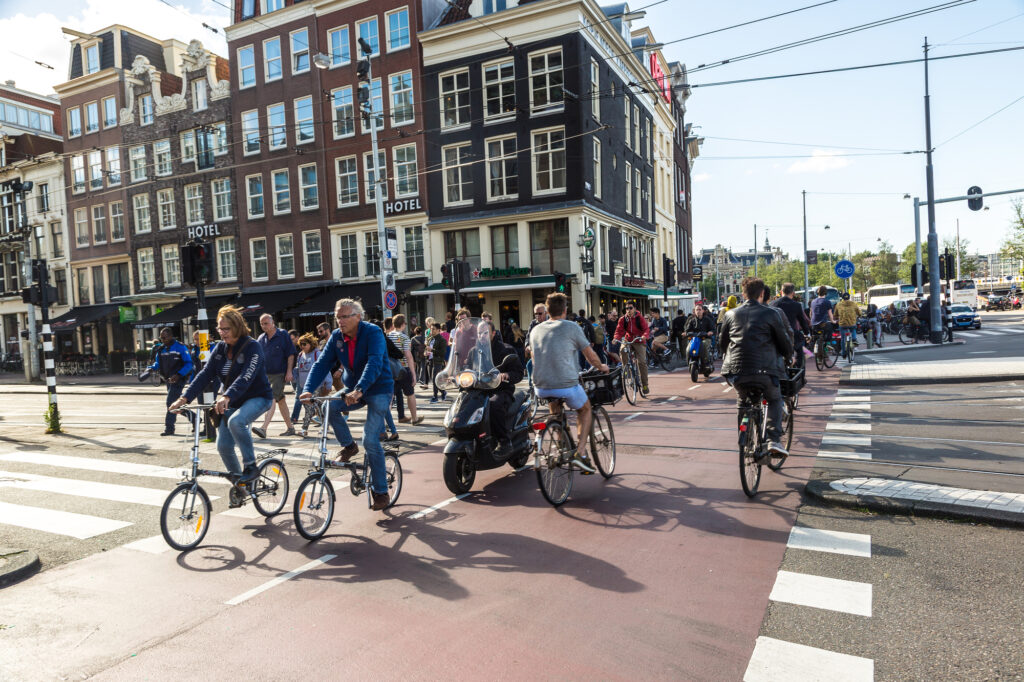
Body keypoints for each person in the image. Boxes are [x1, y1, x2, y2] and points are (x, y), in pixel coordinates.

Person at [300, 298, 394, 511]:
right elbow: (322, 363)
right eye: (337, 317)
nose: (340, 321)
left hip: (378, 388)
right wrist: (308, 389)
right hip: (353, 389)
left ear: (358, 317)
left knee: (370, 440)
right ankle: (348, 446)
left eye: (344, 317)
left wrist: (360, 389)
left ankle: (381, 491)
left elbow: (375, 362)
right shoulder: (336, 337)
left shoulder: (373, 332)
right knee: (328, 407)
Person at [169, 306, 273, 487]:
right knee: (223, 446)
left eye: (226, 329)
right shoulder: (220, 349)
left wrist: (226, 396)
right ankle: (241, 484)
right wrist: (184, 398)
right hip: (233, 400)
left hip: (259, 397)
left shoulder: (253, 347)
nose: (222, 333)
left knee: (236, 421)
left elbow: (246, 376)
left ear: (237, 327)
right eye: (219, 328)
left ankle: (251, 467)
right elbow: (204, 375)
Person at [530, 292, 609, 472]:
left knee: (555, 408)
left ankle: (560, 443)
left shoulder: (536, 330)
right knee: (585, 408)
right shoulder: (572, 327)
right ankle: (580, 453)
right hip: (566, 384)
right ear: (565, 310)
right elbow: (590, 355)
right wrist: (602, 366)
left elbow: (535, 359)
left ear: (547, 311)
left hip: (540, 386)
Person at [720, 277, 794, 457]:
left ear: (743, 294)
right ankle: (772, 440)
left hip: (737, 372)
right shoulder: (771, 314)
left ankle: (744, 442)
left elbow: (722, 344)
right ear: (762, 294)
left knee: (743, 402)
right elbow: (784, 341)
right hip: (765, 371)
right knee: (775, 399)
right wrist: (788, 356)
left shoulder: (730, 315)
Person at [481, 319, 524, 452]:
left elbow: (518, 372)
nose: (481, 336)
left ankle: (504, 441)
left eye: (485, 333)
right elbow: (465, 367)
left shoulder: (506, 349)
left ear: (493, 333)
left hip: (500, 390)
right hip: (478, 390)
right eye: (479, 333)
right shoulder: (474, 351)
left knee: (493, 405)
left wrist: (506, 375)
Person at [251, 314, 297, 438]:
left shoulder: (283, 335)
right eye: (261, 324)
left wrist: (289, 371)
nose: (263, 326)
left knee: (271, 398)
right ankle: (290, 428)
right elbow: (258, 357)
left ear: (273, 322)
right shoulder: (261, 338)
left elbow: (291, 354)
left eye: (266, 323)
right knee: (280, 400)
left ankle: (264, 428)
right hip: (266, 374)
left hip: (279, 373)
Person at [149, 327, 193, 436]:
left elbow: (189, 364)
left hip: (178, 379)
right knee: (174, 404)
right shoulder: (161, 349)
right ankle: (195, 418)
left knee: (170, 403)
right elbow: (158, 363)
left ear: (170, 336)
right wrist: (151, 368)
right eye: (161, 338)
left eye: (164, 337)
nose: (163, 340)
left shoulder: (180, 347)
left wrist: (179, 375)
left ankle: (169, 428)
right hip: (168, 380)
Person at [387, 314, 423, 425]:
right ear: (403, 325)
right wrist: (413, 374)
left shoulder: (387, 336)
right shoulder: (404, 337)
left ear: (393, 324)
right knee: (410, 394)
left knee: (390, 396)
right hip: (403, 369)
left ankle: (387, 422)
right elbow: (408, 356)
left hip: (390, 370)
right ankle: (414, 418)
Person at [293, 333, 330, 436]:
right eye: (300, 344)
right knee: (318, 407)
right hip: (303, 386)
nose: (302, 347)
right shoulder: (300, 355)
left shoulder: (317, 353)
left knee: (311, 407)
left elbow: (324, 368)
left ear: (311, 343)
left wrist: (328, 383)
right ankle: (325, 426)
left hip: (316, 385)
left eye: (304, 344)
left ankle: (304, 430)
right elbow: (298, 368)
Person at [614, 301, 651, 393]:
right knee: (622, 349)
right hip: (628, 340)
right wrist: (615, 338)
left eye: (630, 308)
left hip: (639, 341)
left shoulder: (640, 318)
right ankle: (626, 368)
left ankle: (645, 385)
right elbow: (619, 331)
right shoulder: (623, 319)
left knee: (642, 362)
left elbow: (646, 329)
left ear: (634, 308)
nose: (628, 310)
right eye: (627, 308)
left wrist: (644, 336)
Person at [772, 283, 811, 367]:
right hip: (792, 336)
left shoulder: (773, 304)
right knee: (800, 352)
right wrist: (807, 333)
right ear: (793, 293)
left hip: (776, 336)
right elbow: (802, 321)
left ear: (781, 292)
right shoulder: (796, 305)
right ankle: (799, 371)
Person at [683, 304, 715, 369]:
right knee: (688, 348)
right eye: (697, 310)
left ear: (703, 310)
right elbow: (687, 329)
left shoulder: (707, 319)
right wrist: (686, 333)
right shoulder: (692, 320)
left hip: (705, 338)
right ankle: (688, 361)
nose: (698, 311)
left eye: (700, 309)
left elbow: (713, 329)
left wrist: (710, 332)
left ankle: (706, 362)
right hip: (695, 339)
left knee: (704, 345)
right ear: (694, 311)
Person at [809, 286, 836, 352]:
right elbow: (830, 314)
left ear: (817, 293)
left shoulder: (813, 302)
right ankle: (827, 343)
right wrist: (833, 321)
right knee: (830, 328)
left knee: (816, 336)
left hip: (814, 324)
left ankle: (814, 346)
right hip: (823, 324)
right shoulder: (827, 302)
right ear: (825, 293)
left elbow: (811, 313)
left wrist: (812, 320)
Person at [428, 321, 449, 403]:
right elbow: (428, 350)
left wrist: (432, 350)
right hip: (430, 361)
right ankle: (443, 392)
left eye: (433, 329)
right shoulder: (430, 338)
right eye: (431, 329)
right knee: (434, 379)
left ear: (438, 330)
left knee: (434, 379)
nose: (432, 331)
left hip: (438, 362)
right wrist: (426, 353)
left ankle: (435, 397)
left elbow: (442, 353)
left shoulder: (442, 340)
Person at [835, 292, 861, 357]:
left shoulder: (838, 304)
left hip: (842, 324)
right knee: (853, 329)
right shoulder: (853, 304)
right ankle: (854, 339)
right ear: (849, 297)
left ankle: (843, 353)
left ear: (842, 298)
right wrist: (859, 315)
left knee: (843, 339)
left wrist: (837, 317)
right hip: (852, 323)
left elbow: (835, 314)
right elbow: (859, 312)